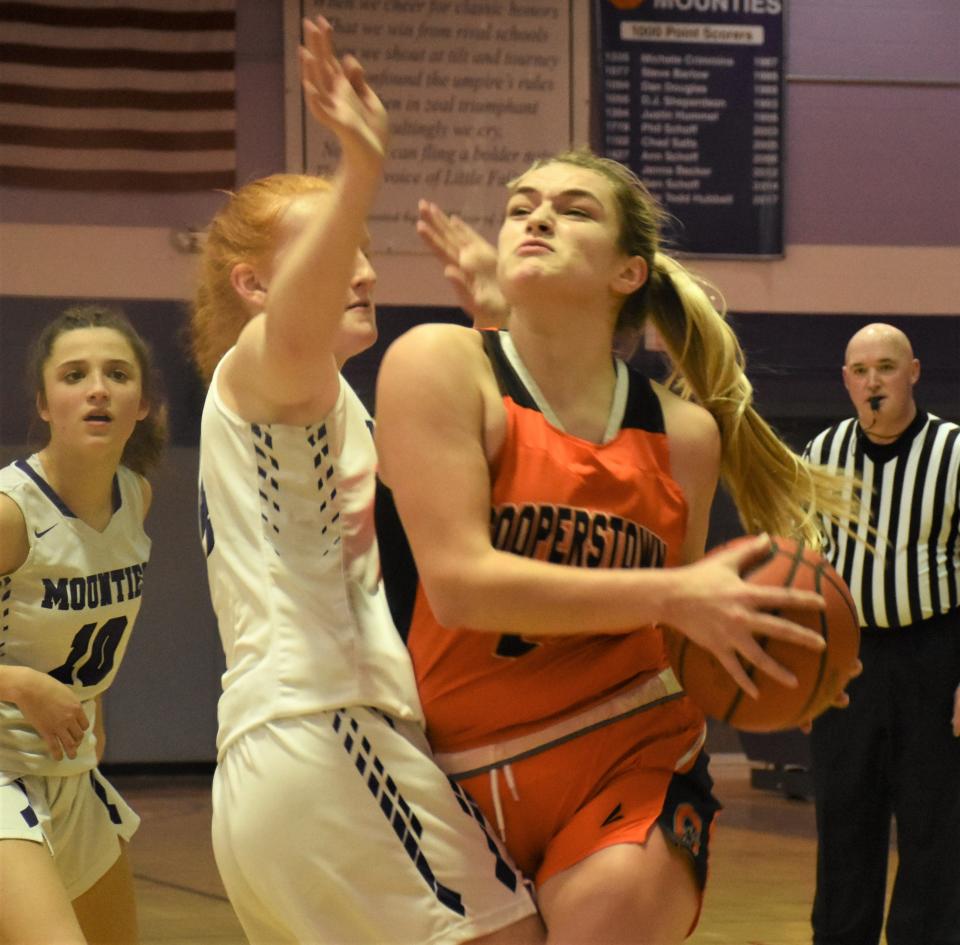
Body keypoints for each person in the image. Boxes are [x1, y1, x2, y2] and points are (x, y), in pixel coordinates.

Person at [374, 148, 859, 944]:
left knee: (608, 919)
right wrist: (680, 593)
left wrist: (779, 660)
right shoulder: (437, 363)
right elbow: (460, 584)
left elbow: (677, 637)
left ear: (629, 272)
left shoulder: (683, 434)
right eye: (522, 204)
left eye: (574, 209)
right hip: (449, 771)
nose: (537, 217)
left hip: (628, 751)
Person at [189, 17, 542, 945]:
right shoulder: (263, 371)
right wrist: (359, 171)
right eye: (335, 247)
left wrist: (501, 321)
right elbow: (296, 330)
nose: (367, 266)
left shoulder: (325, 405)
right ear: (254, 285)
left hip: (284, 758)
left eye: (365, 241)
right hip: (326, 730)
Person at [0, 304, 165, 944]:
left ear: (142, 402)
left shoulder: (136, 496)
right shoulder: (13, 513)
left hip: (70, 776)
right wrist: (19, 684)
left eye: (116, 374)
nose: (97, 388)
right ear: (44, 403)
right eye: (74, 375)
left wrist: (90, 708)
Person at [804, 322, 960, 945]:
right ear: (846, 380)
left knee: (934, 829)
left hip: (935, 655)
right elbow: (809, 569)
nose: (874, 382)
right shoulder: (822, 453)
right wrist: (808, 676)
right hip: (850, 662)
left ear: (914, 372)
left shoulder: (953, 452)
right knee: (844, 823)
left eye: (887, 368)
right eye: (861, 370)